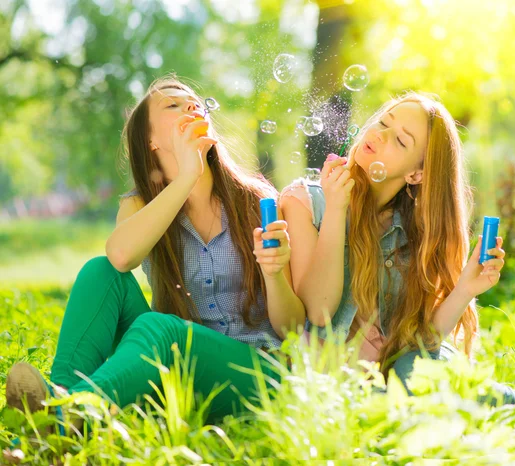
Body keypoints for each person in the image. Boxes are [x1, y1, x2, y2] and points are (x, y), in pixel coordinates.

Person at [6, 76, 305, 425]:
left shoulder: (258, 201)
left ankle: (69, 412)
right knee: (99, 272)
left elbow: (293, 329)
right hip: (174, 371)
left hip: (256, 375)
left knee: (161, 327)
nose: (191, 106)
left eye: (194, 102)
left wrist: (273, 274)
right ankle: (59, 413)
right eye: (173, 105)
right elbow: (120, 257)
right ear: (150, 140)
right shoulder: (139, 206)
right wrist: (186, 178)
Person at [280, 91, 515, 406]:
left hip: (394, 380)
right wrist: (336, 210)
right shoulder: (307, 203)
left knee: (414, 369)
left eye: (401, 141)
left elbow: (419, 344)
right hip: (336, 387)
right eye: (384, 122)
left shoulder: (412, 232)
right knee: (410, 393)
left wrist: (465, 289)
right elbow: (318, 312)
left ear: (416, 174)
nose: (380, 134)